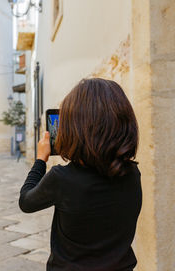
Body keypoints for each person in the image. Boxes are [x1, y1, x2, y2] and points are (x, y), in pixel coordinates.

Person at [19, 78, 142, 271]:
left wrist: (41, 159)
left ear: (75, 129)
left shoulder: (62, 179)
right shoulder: (132, 174)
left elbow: (26, 201)